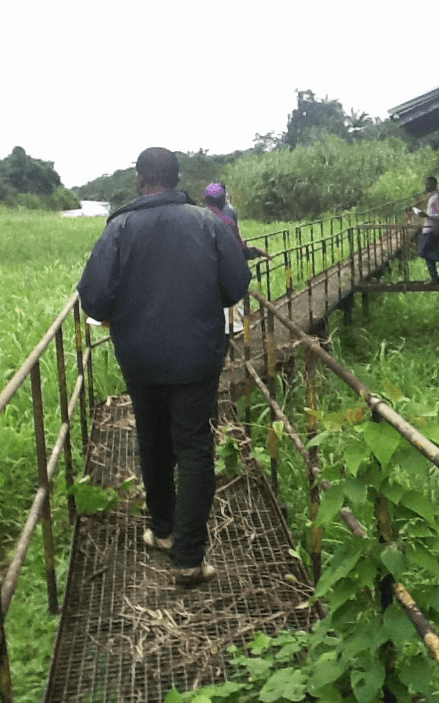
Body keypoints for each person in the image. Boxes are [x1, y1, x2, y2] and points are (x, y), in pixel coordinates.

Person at [78, 148, 252, 585]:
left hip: (139, 358)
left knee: (152, 439)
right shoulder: (209, 223)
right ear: (177, 181)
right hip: (196, 357)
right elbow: (235, 286)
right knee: (194, 448)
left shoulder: (118, 228)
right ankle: (189, 558)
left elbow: (93, 299)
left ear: (141, 181)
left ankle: (163, 530)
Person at [203, 181, 267, 333]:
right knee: (232, 297)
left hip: (209, 266)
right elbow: (235, 243)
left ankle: (228, 328)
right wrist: (254, 252)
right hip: (227, 263)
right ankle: (235, 329)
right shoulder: (228, 213)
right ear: (224, 197)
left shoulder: (203, 215)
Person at [414, 176, 439, 283]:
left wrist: (426, 215)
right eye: (425, 184)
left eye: (428, 184)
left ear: (434, 185)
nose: (426, 187)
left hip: (433, 229)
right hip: (428, 228)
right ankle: (434, 278)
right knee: (426, 253)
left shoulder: (437, 197)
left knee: (423, 252)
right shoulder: (432, 197)